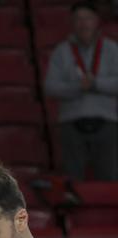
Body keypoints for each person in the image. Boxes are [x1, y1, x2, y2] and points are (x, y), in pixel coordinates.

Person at [44, 1, 118, 181]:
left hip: (106, 124)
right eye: (78, 19)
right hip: (71, 126)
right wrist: (78, 87)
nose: (83, 23)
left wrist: (95, 84)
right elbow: (50, 87)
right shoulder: (61, 52)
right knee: (73, 183)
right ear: (72, 23)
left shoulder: (112, 49)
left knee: (109, 179)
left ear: (97, 21)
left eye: (88, 19)